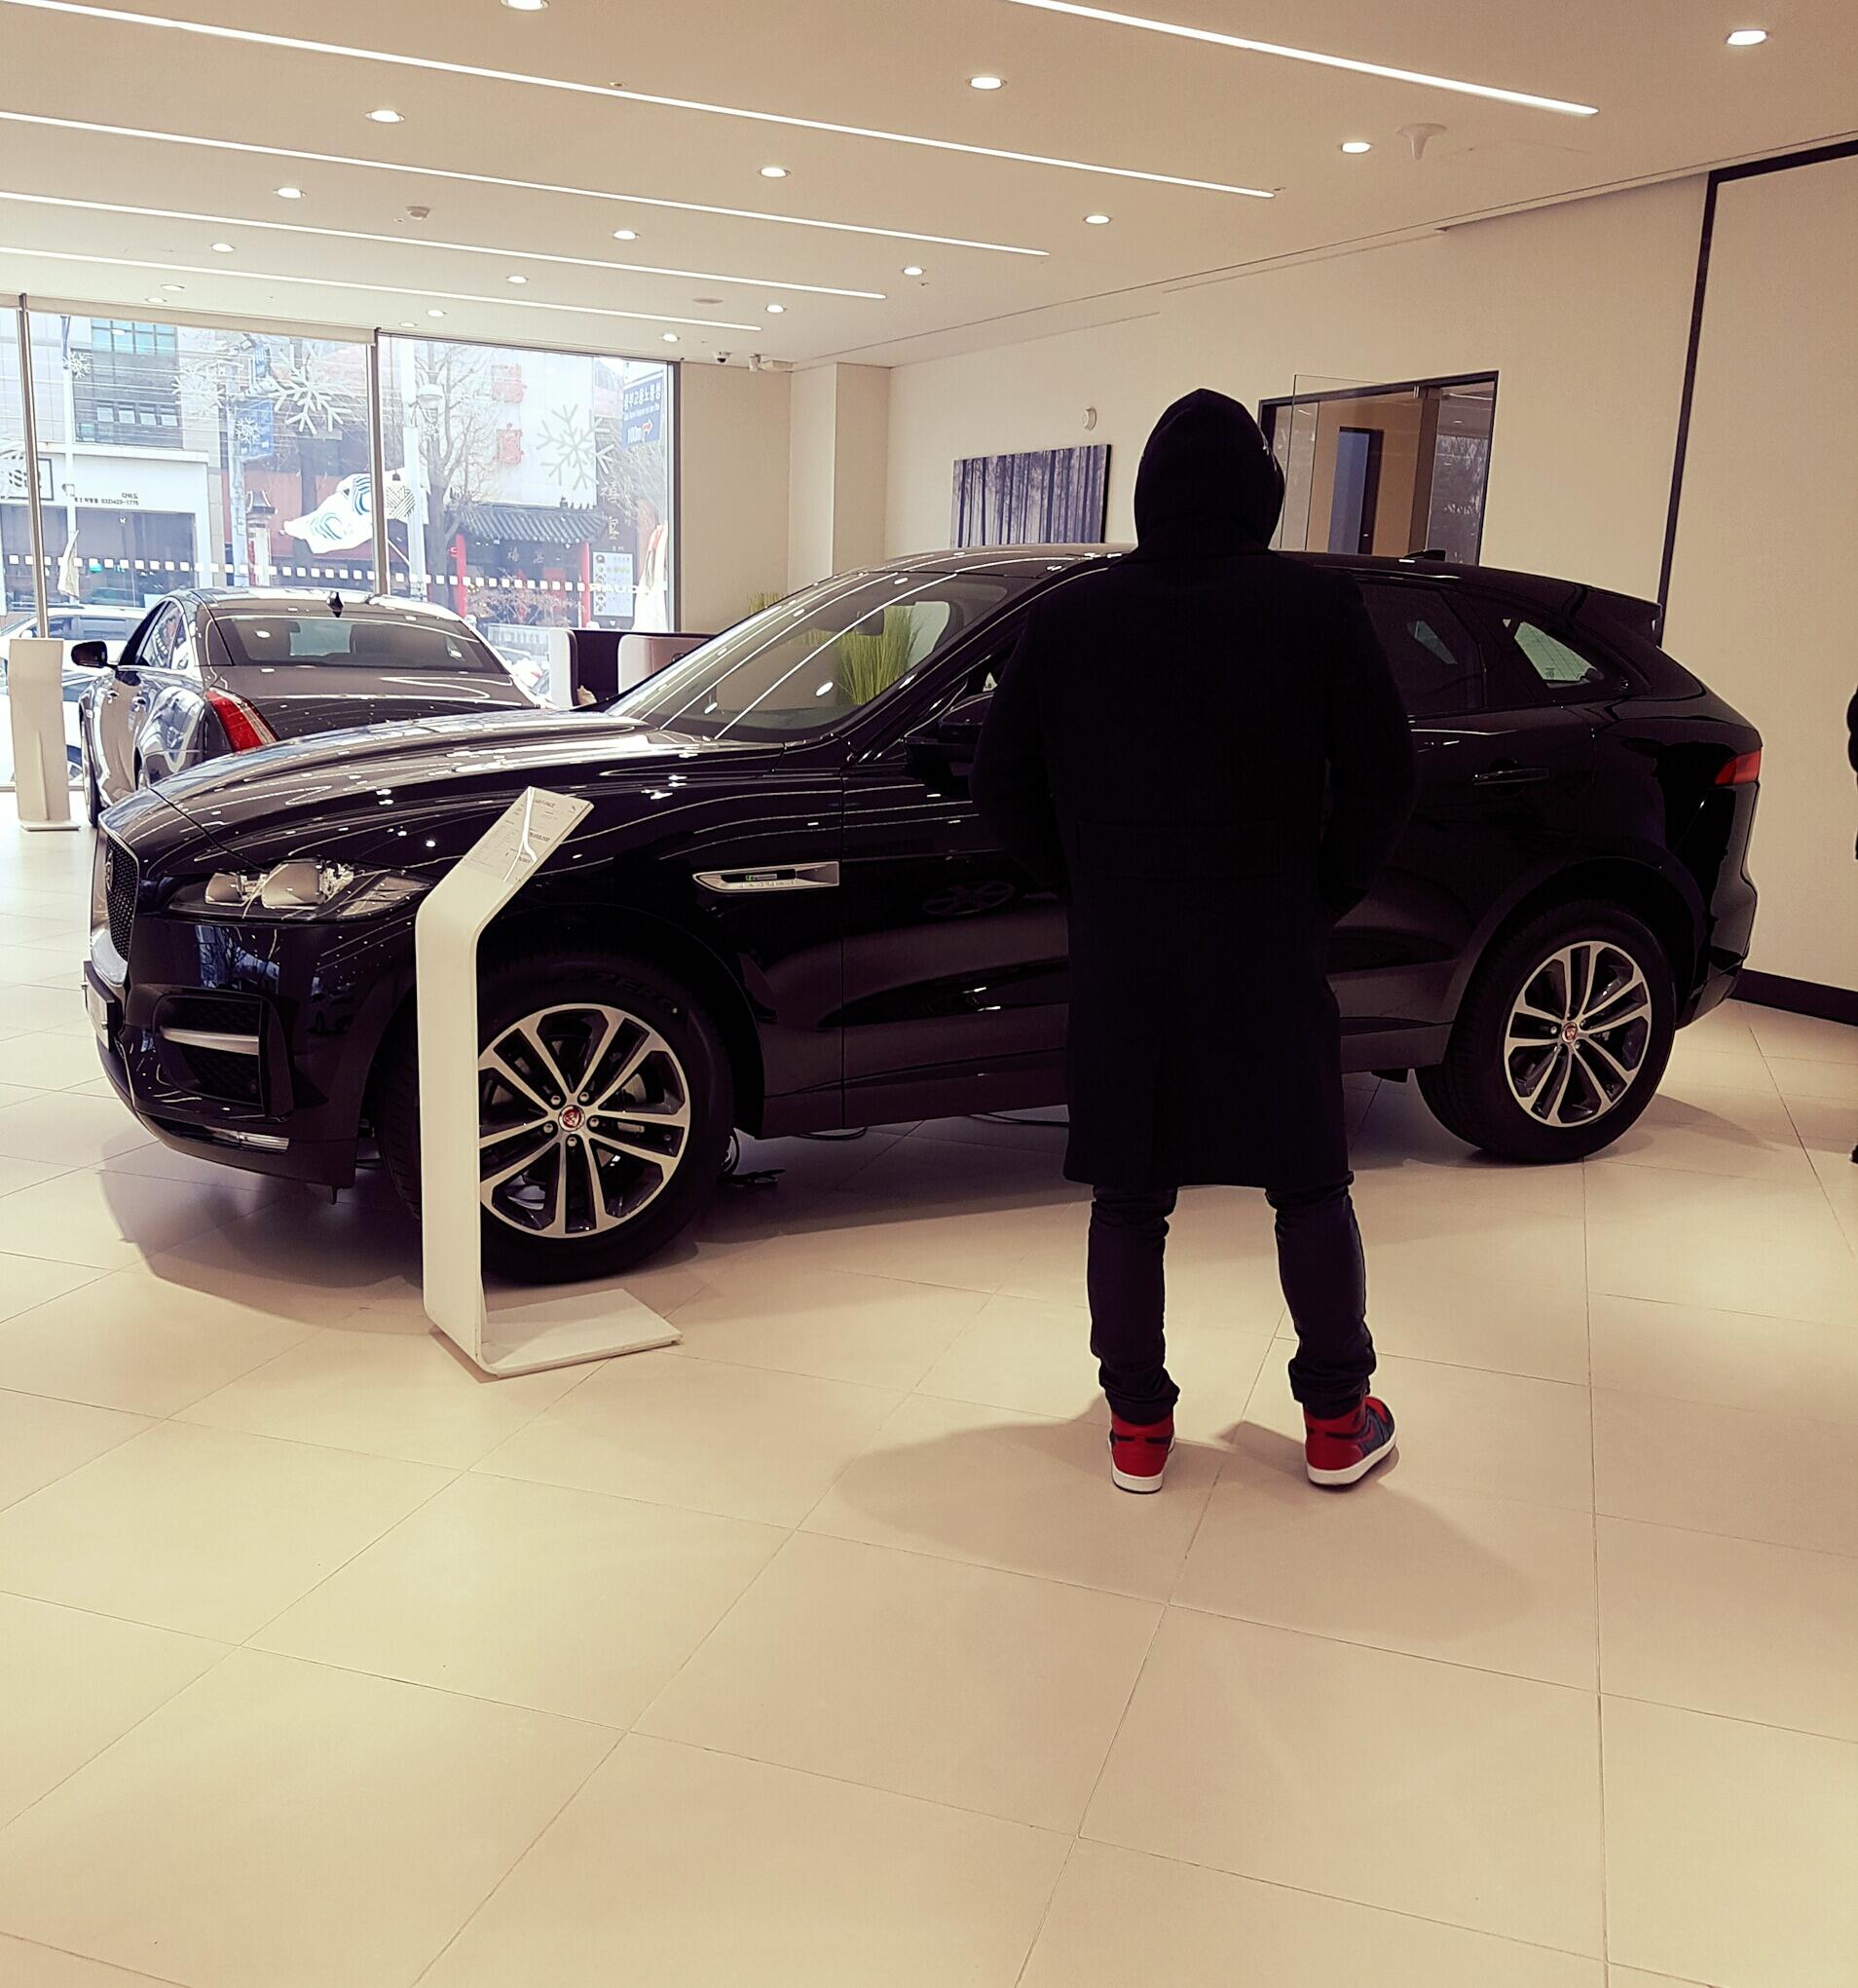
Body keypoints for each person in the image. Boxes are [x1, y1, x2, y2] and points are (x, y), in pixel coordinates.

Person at [972, 388, 1417, 1492]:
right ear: (1261, 494)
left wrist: (1087, 880)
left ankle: (1137, 1426)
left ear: (1148, 494)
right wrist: (1322, 892)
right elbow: (1385, 774)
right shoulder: (1315, 607)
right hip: (1269, 942)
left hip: (1126, 952)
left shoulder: (1069, 618)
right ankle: (1336, 1419)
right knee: (1308, 1181)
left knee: (1129, 1192)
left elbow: (998, 785)